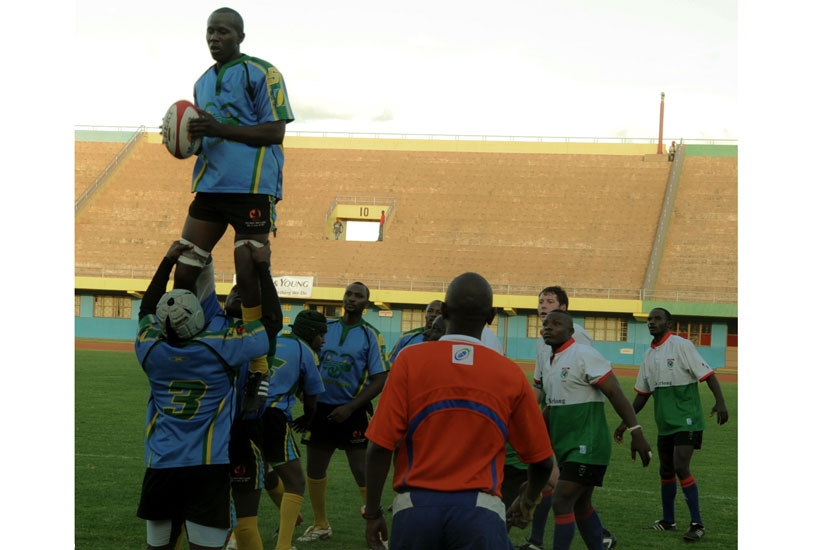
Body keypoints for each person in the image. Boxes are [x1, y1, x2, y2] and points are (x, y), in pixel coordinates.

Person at [363, 272, 557, 550]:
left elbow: (379, 447)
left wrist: (372, 513)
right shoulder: (510, 374)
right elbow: (541, 460)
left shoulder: (409, 362)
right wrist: (528, 501)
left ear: (443, 311)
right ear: (490, 315)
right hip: (481, 514)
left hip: (415, 510)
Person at [169, 7, 295, 414]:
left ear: (240, 36)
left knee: (248, 271)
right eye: (210, 31)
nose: (214, 37)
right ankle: (185, 344)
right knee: (185, 265)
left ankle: (259, 365)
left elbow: (275, 131)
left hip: (252, 187)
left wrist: (219, 129)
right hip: (210, 185)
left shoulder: (263, 73)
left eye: (222, 31)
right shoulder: (201, 83)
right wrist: (183, 139)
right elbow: (203, 137)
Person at [134, 240, 281, 550]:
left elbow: (146, 308)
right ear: (199, 319)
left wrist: (166, 262)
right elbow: (271, 324)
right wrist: (263, 266)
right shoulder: (222, 346)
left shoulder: (150, 349)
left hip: (160, 465)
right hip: (207, 467)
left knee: (156, 547)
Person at [535, 310, 652, 550]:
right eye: (546, 324)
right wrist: (531, 435)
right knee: (581, 505)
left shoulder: (584, 355)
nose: (548, 327)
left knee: (562, 500)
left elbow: (615, 392)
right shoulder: (549, 362)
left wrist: (636, 431)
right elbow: (551, 407)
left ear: (571, 331)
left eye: (556, 324)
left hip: (587, 446)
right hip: (565, 447)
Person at [613, 307, 729, 542]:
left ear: (668, 323)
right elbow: (642, 395)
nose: (652, 323)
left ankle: (697, 524)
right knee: (665, 470)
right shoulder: (648, 356)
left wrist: (721, 402)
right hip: (665, 423)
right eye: (649, 319)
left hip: (688, 419)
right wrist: (625, 423)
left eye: (657, 319)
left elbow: (708, 375)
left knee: (680, 466)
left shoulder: (681, 346)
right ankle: (668, 521)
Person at [518, 286, 614, 550]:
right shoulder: (543, 341)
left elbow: (588, 375)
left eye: (550, 301)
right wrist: (526, 414)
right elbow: (540, 385)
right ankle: (539, 540)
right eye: (540, 301)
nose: (543, 305)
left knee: (560, 491)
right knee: (563, 491)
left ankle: (595, 536)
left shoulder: (576, 338)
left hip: (579, 426)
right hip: (555, 421)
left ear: (564, 308)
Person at [297, 282, 391, 542]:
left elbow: (381, 378)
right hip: (321, 409)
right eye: (349, 293)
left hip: (354, 410)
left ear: (366, 304)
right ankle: (320, 524)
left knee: (362, 471)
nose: (351, 298)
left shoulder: (371, 335)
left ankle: (376, 527)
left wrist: (350, 407)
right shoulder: (326, 328)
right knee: (315, 469)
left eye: (358, 296)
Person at [261, 309, 328, 550]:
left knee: (254, 474)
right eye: (321, 335)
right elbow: (311, 399)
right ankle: (284, 545)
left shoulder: (274, 339)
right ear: (310, 333)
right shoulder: (306, 352)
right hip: (273, 416)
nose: (323, 340)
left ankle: (237, 539)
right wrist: (307, 418)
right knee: (296, 482)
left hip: (244, 413)